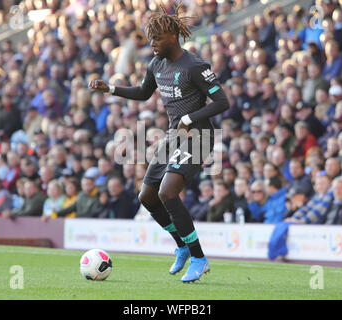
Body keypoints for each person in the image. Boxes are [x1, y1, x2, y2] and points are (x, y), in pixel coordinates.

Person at [88, 2, 229, 282]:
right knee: (147, 197)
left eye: (157, 38)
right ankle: (182, 245)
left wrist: (191, 117)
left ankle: (199, 257)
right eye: (150, 38)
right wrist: (111, 89)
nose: (152, 43)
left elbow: (223, 102)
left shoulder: (195, 66)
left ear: (172, 37)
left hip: (198, 137)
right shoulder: (156, 64)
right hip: (174, 136)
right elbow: (143, 93)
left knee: (167, 192)